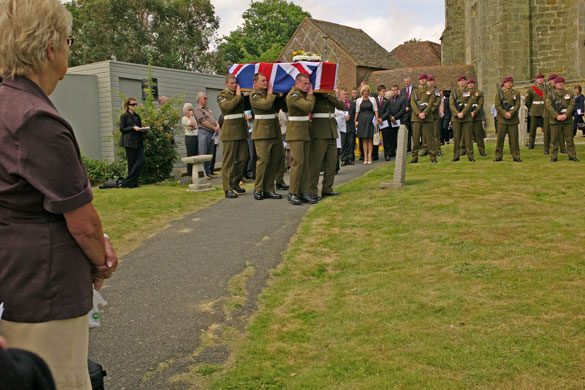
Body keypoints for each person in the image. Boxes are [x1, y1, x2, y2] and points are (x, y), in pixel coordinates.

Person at [0, 1, 118, 389]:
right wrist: (101, 261)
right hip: (43, 290)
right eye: (68, 40)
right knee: (62, 377)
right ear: (50, 48)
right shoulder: (37, 118)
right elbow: (83, 224)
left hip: (13, 280)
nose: (69, 49)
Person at [249, 73, 283, 200]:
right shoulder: (255, 95)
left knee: (274, 161)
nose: (265, 82)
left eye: (266, 81)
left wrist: (279, 94)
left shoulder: (269, 94)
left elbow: (280, 106)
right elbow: (266, 105)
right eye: (262, 81)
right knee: (263, 161)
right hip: (262, 132)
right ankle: (258, 189)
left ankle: (269, 188)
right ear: (255, 83)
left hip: (274, 130)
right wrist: (270, 93)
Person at [309, 91, 346, 201]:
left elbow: (342, 106)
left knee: (332, 163)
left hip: (331, 132)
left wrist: (328, 96)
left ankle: (327, 188)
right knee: (316, 163)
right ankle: (312, 191)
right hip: (319, 132)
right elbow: (309, 108)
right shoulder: (313, 96)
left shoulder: (329, 97)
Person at [216, 74, 249, 199]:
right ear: (226, 84)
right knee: (228, 161)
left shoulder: (239, 95)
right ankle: (227, 188)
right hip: (230, 132)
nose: (234, 85)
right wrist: (239, 96)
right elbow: (228, 107)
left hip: (241, 131)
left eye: (235, 83)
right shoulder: (222, 96)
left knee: (243, 157)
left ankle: (235, 182)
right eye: (231, 83)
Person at [285, 73, 315, 205]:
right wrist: (311, 94)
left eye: (308, 83)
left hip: (304, 131)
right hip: (296, 132)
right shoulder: (293, 95)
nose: (307, 86)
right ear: (297, 83)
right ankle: (293, 192)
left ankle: (303, 192)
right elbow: (308, 107)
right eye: (304, 83)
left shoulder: (301, 94)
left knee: (306, 163)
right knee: (298, 163)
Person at [546, 77, 578, 162]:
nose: (560, 84)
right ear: (555, 84)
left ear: (564, 84)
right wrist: (556, 116)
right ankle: (553, 156)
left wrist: (566, 115)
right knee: (554, 139)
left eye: (562, 82)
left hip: (567, 120)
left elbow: (572, 105)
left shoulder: (569, 93)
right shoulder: (550, 94)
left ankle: (572, 155)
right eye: (558, 83)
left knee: (569, 139)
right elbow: (548, 106)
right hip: (555, 120)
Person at [119, 97, 147, 187]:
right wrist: (132, 128)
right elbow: (122, 129)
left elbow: (139, 127)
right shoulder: (124, 116)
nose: (135, 106)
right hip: (129, 142)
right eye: (132, 104)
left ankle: (126, 182)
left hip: (138, 141)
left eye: (135, 104)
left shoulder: (137, 116)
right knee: (131, 163)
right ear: (128, 106)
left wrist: (142, 129)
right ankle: (133, 183)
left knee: (141, 160)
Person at [410, 73, 437, 163]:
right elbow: (413, 103)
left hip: (427, 117)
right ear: (419, 80)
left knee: (430, 138)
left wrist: (424, 113)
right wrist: (419, 113)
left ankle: (433, 157)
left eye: (425, 79)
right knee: (416, 139)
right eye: (421, 79)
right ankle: (414, 157)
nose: (423, 80)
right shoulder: (414, 91)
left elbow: (431, 102)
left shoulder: (431, 91)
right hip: (416, 118)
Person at [494, 76, 522, 162]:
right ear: (504, 84)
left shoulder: (516, 93)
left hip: (512, 119)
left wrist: (511, 113)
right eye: (507, 82)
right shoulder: (499, 93)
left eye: (510, 82)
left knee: (514, 140)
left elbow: (517, 105)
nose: (509, 84)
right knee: (500, 139)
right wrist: (504, 113)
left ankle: (516, 156)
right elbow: (497, 105)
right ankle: (498, 156)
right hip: (502, 119)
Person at [194, 92, 219, 179]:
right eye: (205, 98)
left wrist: (217, 126)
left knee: (210, 153)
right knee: (203, 152)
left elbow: (214, 119)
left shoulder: (208, 109)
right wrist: (213, 127)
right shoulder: (197, 109)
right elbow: (203, 121)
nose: (206, 100)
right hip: (204, 132)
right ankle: (203, 173)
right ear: (199, 100)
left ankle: (208, 171)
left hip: (212, 133)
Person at [380, 84, 405, 160]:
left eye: (395, 90)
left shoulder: (402, 99)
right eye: (392, 90)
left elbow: (403, 109)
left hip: (399, 120)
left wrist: (395, 117)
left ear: (398, 90)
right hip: (390, 121)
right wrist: (391, 117)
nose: (394, 91)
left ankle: (400, 152)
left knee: (398, 137)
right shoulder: (389, 100)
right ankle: (392, 151)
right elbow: (388, 110)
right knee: (391, 137)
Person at [354, 84, 378, 164]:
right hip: (362, 121)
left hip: (371, 120)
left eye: (367, 91)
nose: (366, 92)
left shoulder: (372, 99)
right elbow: (357, 111)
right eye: (365, 91)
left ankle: (370, 156)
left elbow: (376, 110)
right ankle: (365, 157)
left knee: (370, 139)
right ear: (362, 92)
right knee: (364, 139)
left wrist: (377, 120)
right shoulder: (358, 100)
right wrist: (355, 120)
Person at [525, 73, 545, 149]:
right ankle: (531, 143)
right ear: (536, 80)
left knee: (546, 129)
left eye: (542, 78)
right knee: (532, 129)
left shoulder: (546, 88)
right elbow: (528, 101)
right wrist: (531, 108)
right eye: (539, 78)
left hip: (544, 109)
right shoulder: (531, 89)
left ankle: (547, 144)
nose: (540, 79)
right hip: (535, 110)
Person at [466, 78, 486, 156]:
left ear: (474, 84)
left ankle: (482, 150)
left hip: (476, 116)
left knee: (479, 134)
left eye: (472, 83)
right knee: (467, 135)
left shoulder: (479, 93)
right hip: (467, 116)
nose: (470, 84)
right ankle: (466, 150)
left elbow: (480, 104)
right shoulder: (465, 93)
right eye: (469, 83)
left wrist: (474, 112)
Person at [181, 103, 198, 177]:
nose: (191, 111)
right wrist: (191, 117)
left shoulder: (193, 117)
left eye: (192, 109)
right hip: (189, 137)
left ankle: (195, 171)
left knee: (196, 154)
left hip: (196, 136)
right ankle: (190, 173)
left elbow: (196, 126)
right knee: (190, 154)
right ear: (186, 111)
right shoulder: (184, 118)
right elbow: (192, 124)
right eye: (189, 110)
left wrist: (193, 125)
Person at [427, 75, 442, 156]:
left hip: (434, 115)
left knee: (436, 133)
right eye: (429, 81)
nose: (430, 83)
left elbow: (437, 102)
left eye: (432, 81)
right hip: (426, 115)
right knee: (427, 134)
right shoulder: (424, 91)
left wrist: (431, 109)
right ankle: (427, 149)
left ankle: (438, 149)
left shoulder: (436, 91)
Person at [338, 89, 354, 166]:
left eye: (347, 94)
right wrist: (344, 117)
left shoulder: (352, 103)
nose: (345, 96)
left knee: (351, 143)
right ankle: (344, 159)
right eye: (344, 94)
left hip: (351, 125)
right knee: (343, 144)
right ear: (341, 95)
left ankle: (350, 158)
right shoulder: (339, 104)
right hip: (342, 126)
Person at [400, 77, 414, 152]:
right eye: (405, 81)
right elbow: (401, 101)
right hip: (405, 114)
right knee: (407, 131)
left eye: (408, 81)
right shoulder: (402, 91)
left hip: (413, 112)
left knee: (414, 130)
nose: (407, 83)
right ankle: (408, 146)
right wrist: (404, 107)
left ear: (410, 81)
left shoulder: (415, 89)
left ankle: (416, 145)